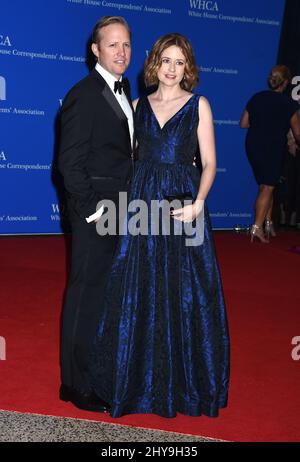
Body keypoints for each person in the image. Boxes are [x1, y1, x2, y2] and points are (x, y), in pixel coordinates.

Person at [88, 33, 230, 418]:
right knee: (139, 288)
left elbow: (210, 162)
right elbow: (125, 161)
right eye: (166, 60)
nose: (171, 69)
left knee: (186, 291)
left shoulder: (199, 105)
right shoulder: (137, 105)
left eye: (179, 62)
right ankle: (134, 384)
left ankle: (183, 387)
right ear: (155, 63)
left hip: (184, 204)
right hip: (142, 204)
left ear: (188, 68)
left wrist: (198, 204)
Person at [58, 16, 134, 411]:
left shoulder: (126, 90)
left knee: (103, 296)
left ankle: (92, 372)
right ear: (95, 50)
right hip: (96, 213)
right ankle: (74, 384)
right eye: (112, 45)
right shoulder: (84, 94)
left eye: (126, 45)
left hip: (121, 210)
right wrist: (91, 213)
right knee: (85, 296)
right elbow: (69, 164)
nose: (121, 52)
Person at [240, 65, 300, 243]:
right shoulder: (289, 103)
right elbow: (297, 132)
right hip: (272, 146)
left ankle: (267, 223)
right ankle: (256, 228)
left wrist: (262, 124)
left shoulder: (257, 97)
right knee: (268, 186)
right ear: (287, 82)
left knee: (266, 185)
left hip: (253, 145)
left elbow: (243, 123)